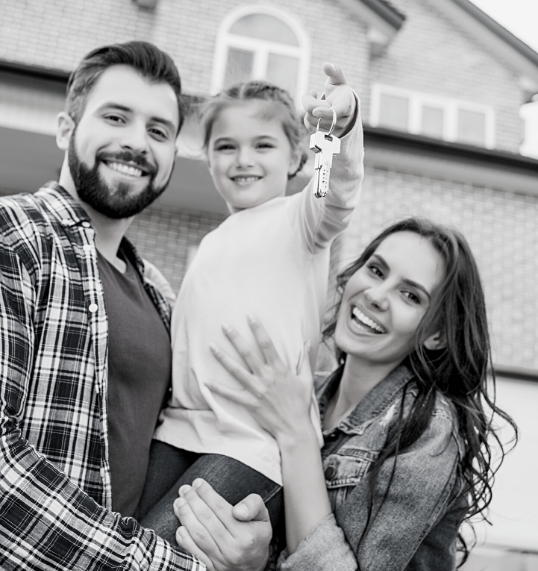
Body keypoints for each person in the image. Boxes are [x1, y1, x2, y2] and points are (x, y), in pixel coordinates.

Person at [0, 41, 272, 571]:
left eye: (158, 131)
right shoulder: (6, 236)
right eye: (116, 117)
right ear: (66, 129)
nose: (136, 142)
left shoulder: (164, 297)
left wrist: (246, 550)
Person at [173, 218, 516, 570]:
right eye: (377, 271)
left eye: (410, 295)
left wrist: (297, 433)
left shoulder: (427, 432)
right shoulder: (310, 393)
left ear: (437, 336)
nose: (377, 296)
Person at [138, 64, 364, 541]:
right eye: (226, 147)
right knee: (126, 537)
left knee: (155, 551)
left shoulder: (300, 221)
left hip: (251, 442)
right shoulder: (213, 242)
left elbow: (334, 191)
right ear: (208, 158)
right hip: (179, 430)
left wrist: (333, 133)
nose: (243, 159)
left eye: (263, 145)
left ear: (295, 155)